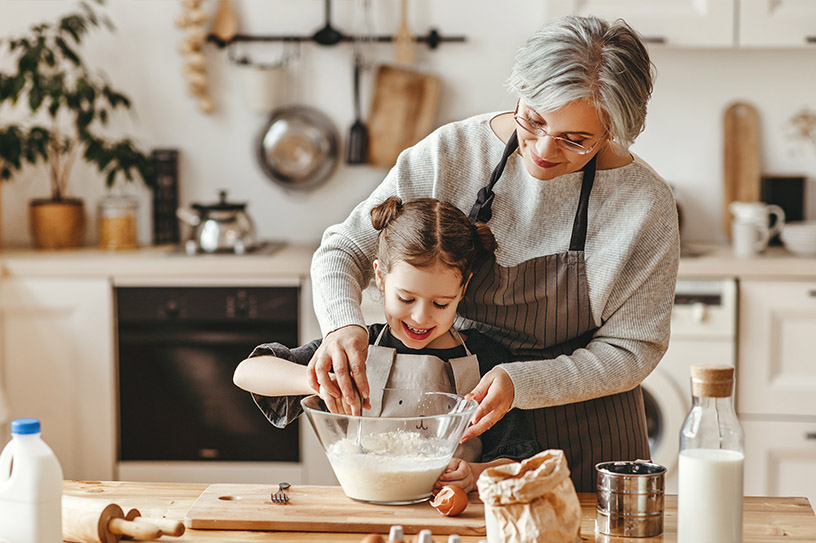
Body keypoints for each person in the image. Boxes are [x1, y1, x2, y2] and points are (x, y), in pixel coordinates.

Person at [306, 15, 680, 491]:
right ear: (519, 89)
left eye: (576, 139)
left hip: (590, 437)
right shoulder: (452, 154)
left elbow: (633, 350)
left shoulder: (644, 205)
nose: (544, 149)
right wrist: (342, 323)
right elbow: (345, 249)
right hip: (461, 439)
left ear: (617, 131)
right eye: (534, 119)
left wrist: (522, 382)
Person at [234, 196, 541, 493]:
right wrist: (315, 380)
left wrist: (475, 475)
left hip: (454, 519)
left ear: (464, 288)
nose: (421, 317)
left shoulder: (485, 361)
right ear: (379, 278)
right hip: (366, 509)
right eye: (406, 298)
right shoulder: (355, 351)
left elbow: (520, 461)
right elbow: (247, 372)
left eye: (441, 303)